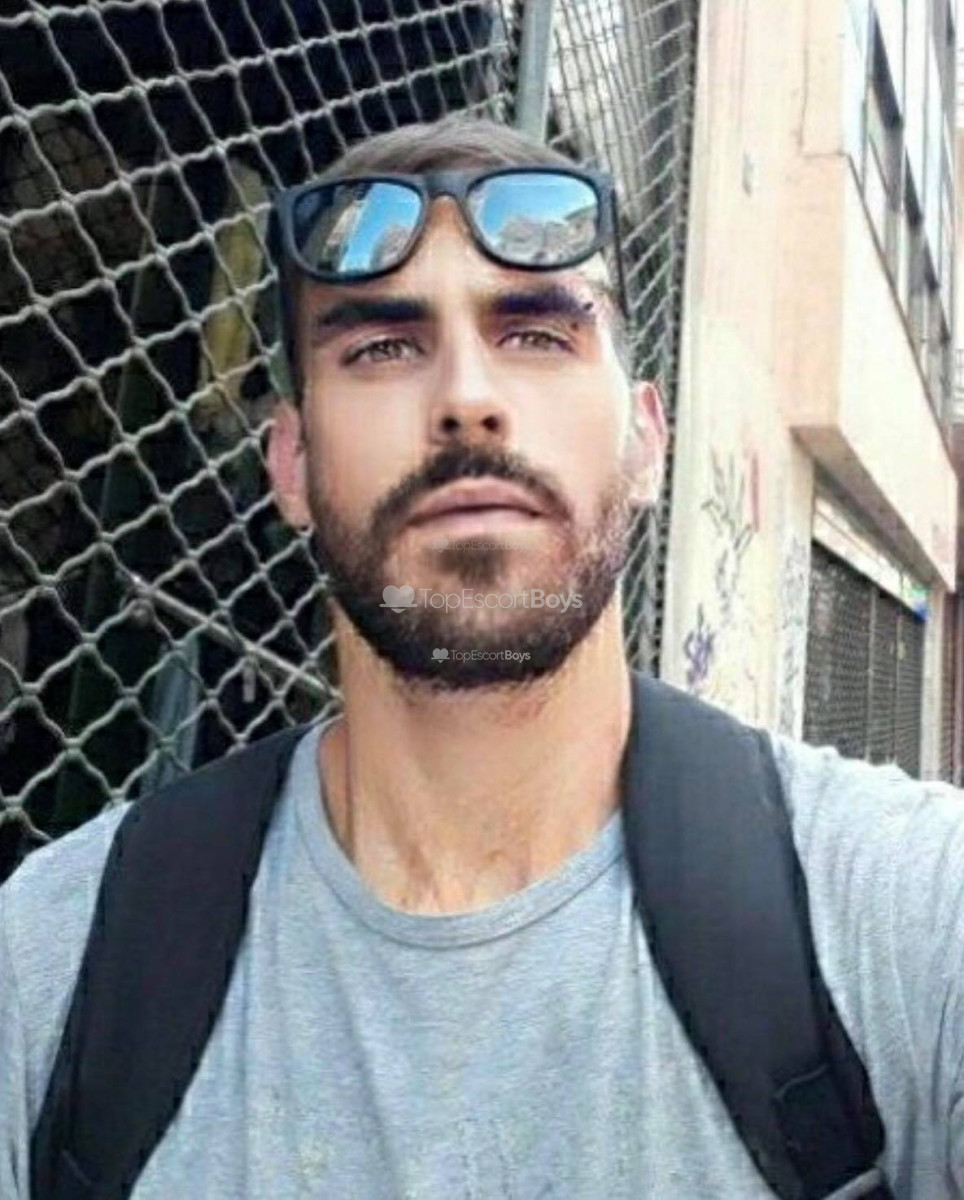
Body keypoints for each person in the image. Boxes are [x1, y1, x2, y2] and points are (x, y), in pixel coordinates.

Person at [2, 113, 963, 1200]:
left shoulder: (906, 911)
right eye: (381, 347)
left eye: (538, 336)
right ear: (292, 465)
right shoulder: (53, 965)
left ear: (646, 440)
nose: (467, 398)